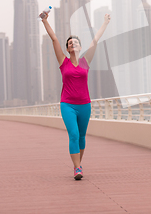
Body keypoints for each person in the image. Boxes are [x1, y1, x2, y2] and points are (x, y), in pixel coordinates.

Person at [41, 12, 111, 180]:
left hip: (85, 105)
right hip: (68, 105)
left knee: (81, 136)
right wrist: (44, 21)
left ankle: (78, 164)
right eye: (70, 43)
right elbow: (55, 40)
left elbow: (95, 40)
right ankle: (77, 168)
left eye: (76, 43)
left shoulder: (86, 61)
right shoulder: (63, 62)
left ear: (80, 47)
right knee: (73, 134)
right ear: (67, 48)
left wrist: (105, 23)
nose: (73, 44)